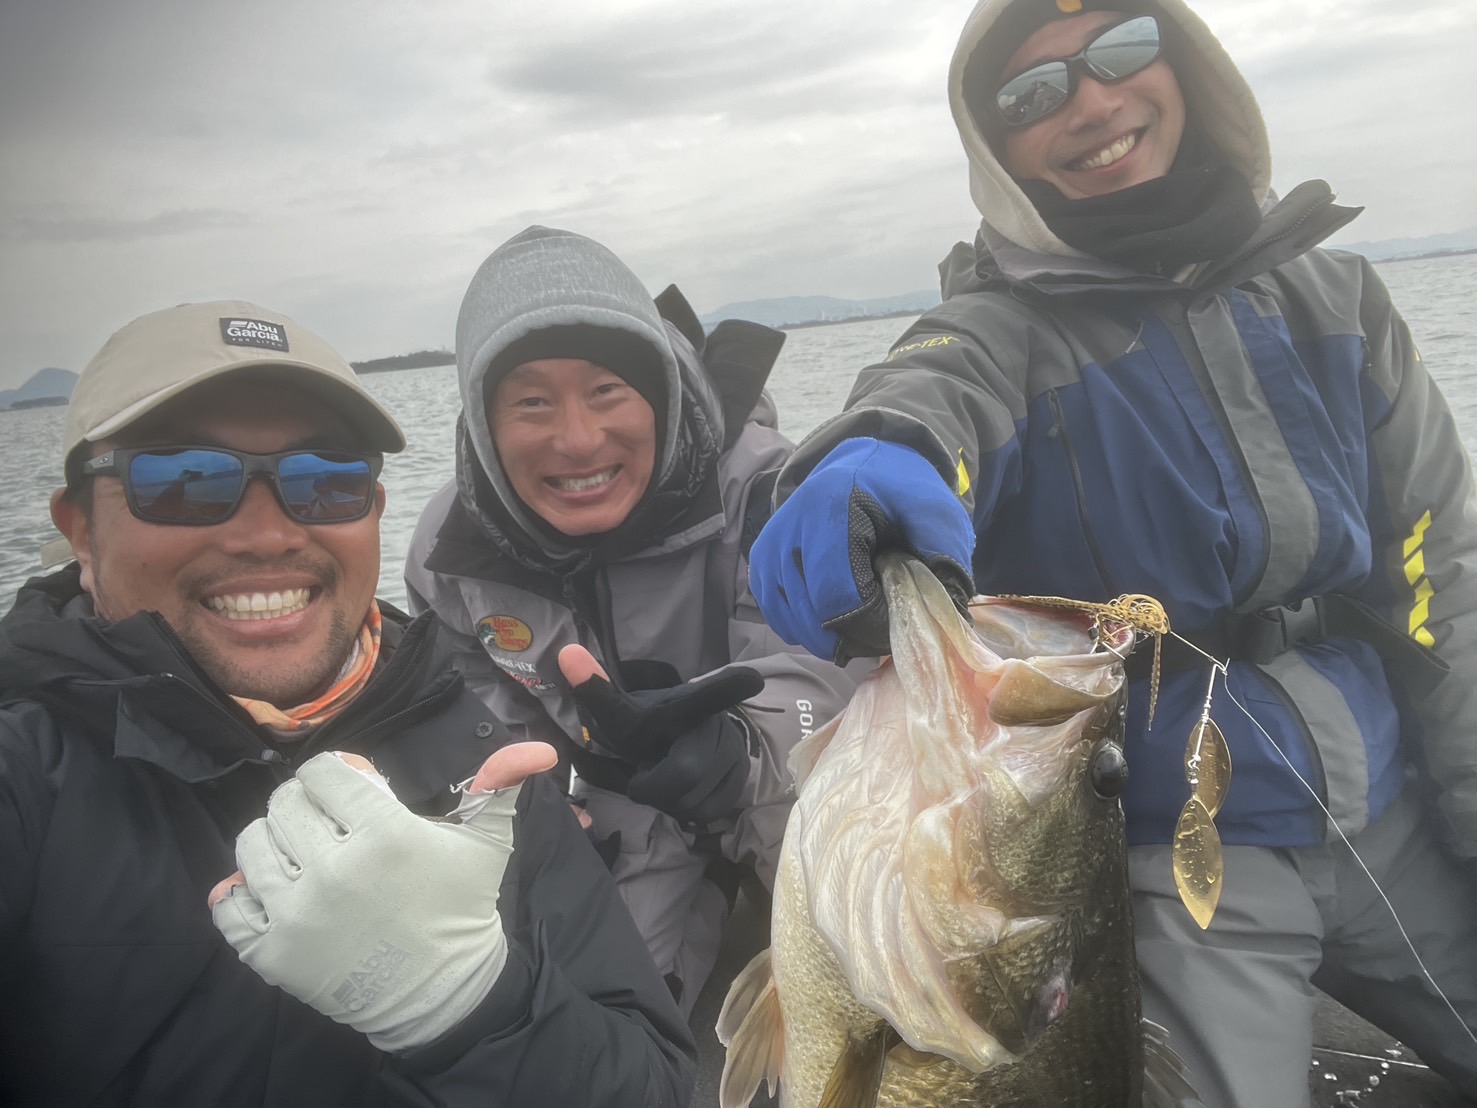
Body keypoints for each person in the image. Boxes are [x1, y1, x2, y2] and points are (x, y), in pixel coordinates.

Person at [746, 1, 1477, 1105]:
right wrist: (874, 459)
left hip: (1388, 800)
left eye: (1122, 48)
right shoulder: (993, 333)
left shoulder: (1342, 302)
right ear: (996, 147)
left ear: (1189, 65)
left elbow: (1444, 580)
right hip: (1170, 854)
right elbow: (924, 394)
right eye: (1031, 93)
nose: (1092, 101)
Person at [0, 300, 695, 1106]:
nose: (268, 535)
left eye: (325, 481)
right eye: (185, 480)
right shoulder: (26, 770)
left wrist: (471, 1009)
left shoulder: (482, 759)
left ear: (374, 512)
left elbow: (653, 1085)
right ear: (80, 531)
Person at [405, 225, 864, 1016]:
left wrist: (739, 748)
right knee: (601, 1008)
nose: (579, 439)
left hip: (788, 778)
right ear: (482, 420)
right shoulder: (450, 553)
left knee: (868, 971)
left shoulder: (769, 484)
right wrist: (536, 807)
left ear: (660, 390)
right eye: (531, 402)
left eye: (608, 390)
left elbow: (827, 669)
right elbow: (480, 715)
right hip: (622, 799)